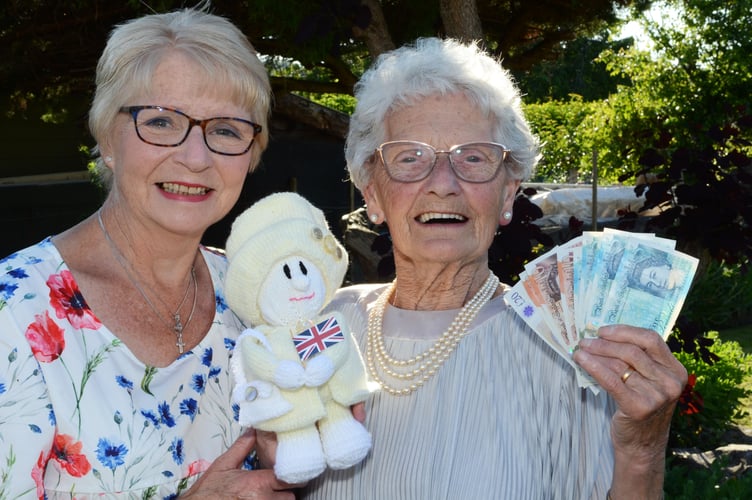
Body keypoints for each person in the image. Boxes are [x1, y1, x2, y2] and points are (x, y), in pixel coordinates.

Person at [303, 37, 687, 499]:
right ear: (372, 194)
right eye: (410, 158)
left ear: (507, 195)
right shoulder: (325, 326)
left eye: (473, 158)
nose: (443, 184)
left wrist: (643, 452)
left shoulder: (568, 348)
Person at [0, 6, 295, 498]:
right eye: (160, 121)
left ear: (252, 153)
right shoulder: (15, 313)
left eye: (225, 130)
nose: (195, 157)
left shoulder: (258, 298)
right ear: (106, 138)